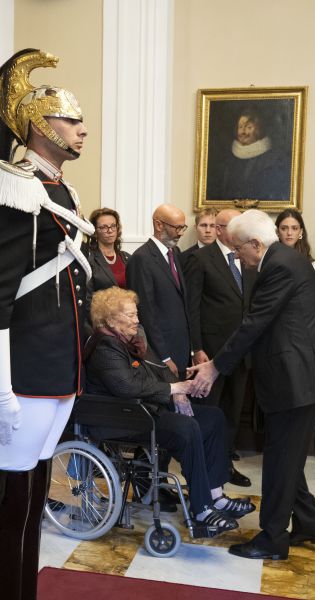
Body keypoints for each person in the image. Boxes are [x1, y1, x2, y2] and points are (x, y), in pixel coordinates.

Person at [188, 209, 315, 560]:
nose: (237, 256)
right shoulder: (286, 259)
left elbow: (254, 323)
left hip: (294, 378)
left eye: (239, 249)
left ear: (256, 244)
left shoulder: (279, 265)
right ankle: (311, 523)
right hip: (297, 376)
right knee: (287, 457)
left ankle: (272, 540)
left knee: (280, 462)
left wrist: (214, 368)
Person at [0, 49, 94, 600]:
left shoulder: (62, 191)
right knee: (14, 504)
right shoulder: (15, 188)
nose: (82, 129)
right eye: (71, 120)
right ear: (40, 125)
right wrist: (1, 384)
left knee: (34, 498)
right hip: (26, 373)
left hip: (60, 368)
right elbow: (1, 292)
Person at [84, 287, 255, 532]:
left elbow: (159, 370)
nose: (137, 320)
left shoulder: (132, 340)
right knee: (186, 428)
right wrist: (173, 390)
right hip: (121, 418)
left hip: (143, 411)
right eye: (131, 316)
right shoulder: (104, 346)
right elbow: (127, 386)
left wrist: (180, 392)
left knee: (213, 417)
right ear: (111, 320)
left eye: (136, 314)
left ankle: (216, 495)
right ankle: (202, 509)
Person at [184, 208, 257, 487]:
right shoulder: (201, 259)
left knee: (232, 413)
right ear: (220, 229)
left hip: (241, 352)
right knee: (209, 413)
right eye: (232, 225)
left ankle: (225, 465)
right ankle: (203, 470)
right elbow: (192, 308)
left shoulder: (248, 259)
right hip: (210, 353)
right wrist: (196, 347)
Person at [126, 204, 191, 379]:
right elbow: (146, 312)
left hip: (181, 349)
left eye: (183, 227)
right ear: (159, 225)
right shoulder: (141, 258)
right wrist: (164, 356)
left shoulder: (174, 252)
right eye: (176, 227)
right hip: (162, 353)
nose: (180, 233)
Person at [209, 106, 290, 201]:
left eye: (248, 127)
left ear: (259, 130)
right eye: (240, 127)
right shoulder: (228, 160)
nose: (243, 132)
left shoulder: (272, 160)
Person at [85, 208, 130, 334]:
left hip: (128, 324)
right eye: (104, 227)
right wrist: (104, 327)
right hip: (103, 327)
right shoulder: (89, 260)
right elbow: (88, 300)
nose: (110, 231)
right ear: (95, 231)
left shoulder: (127, 258)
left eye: (113, 226)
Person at [276, 209, 315, 273]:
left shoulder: (311, 263)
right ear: (277, 232)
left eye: (294, 228)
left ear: (301, 232)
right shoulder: (269, 259)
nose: (289, 233)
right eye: (284, 228)